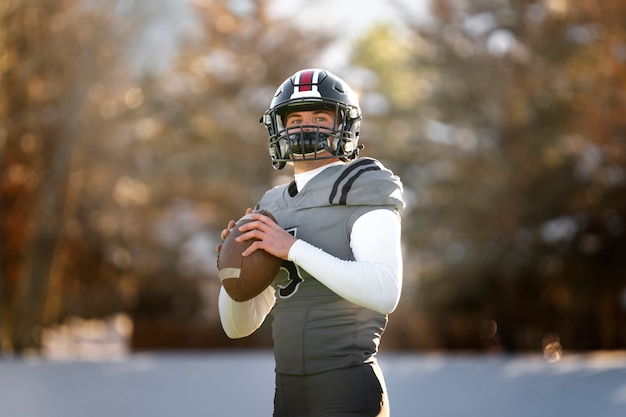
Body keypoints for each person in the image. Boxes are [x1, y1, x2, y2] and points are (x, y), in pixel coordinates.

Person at [216, 68, 405, 417]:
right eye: (296, 118)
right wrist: (234, 270)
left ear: (343, 126)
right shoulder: (272, 205)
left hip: (345, 384)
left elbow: (384, 291)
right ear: (279, 128)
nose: (307, 126)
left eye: (320, 116)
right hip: (287, 390)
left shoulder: (362, 184)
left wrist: (291, 249)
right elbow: (238, 327)